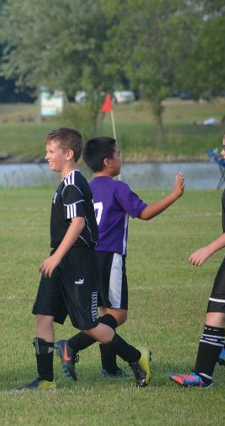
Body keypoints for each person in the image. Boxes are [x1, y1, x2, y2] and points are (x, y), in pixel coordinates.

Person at [19, 127, 151, 390]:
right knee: (43, 315)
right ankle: (45, 379)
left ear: (68, 154)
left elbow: (78, 223)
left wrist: (57, 257)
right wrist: (56, 257)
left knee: (88, 324)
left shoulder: (73, 184)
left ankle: (136, 358)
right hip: (60, 259)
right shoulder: (66, 183)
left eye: (51, 151)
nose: (46, 156)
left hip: (77, 261)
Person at [54, 137, 184, 380]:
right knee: (117, 315)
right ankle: (70, 345)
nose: (120, 158)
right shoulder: (118, 188)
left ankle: (110, 368)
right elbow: (144, 213)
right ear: (108, 161)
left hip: (87, 256)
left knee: (104, 311)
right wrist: (174, 195)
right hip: (109, 256)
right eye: (119, 154)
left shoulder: (84, 187)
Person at [171, 122, 225, 388]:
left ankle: (202, 375)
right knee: (219, 312)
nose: (222, 152)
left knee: (216, 313)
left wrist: (209, 248)